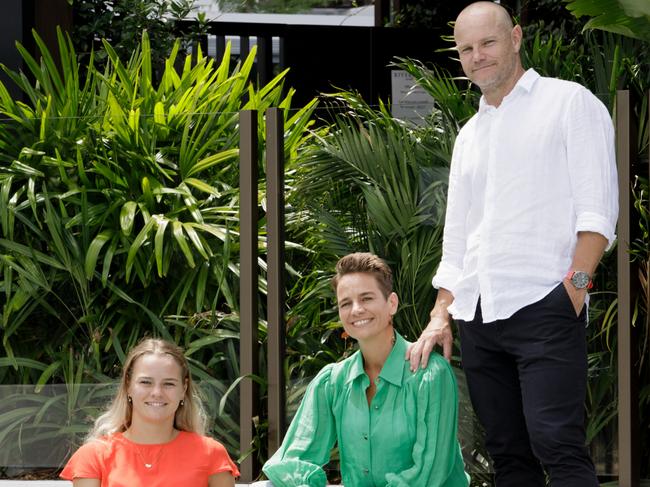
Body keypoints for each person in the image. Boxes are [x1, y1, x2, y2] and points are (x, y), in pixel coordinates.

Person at [405, 2, 618, 486]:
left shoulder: (570, 103)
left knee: (557, 444)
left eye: (488, 42)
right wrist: (442, 314)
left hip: (547, 306)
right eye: (466, 49)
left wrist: (574, 291)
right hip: (479, 317)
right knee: (507, 455)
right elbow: (456, 239)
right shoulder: (469, 136)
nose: (477, 56)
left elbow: (599, 213)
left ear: (516, 38)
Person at [262, 252, 469, 486]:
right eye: (346, 303)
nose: (356, 310)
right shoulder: (333, 381)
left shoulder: (429, 374)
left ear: (392, 303)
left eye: (367, 298)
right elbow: (289, 462)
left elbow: (428, 474)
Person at [60, 338, 240, 487]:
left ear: (183, 389)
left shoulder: (212, 454)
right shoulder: (94, 456)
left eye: (168, 383)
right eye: (146, 382)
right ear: (128, 386)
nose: (157, 393)